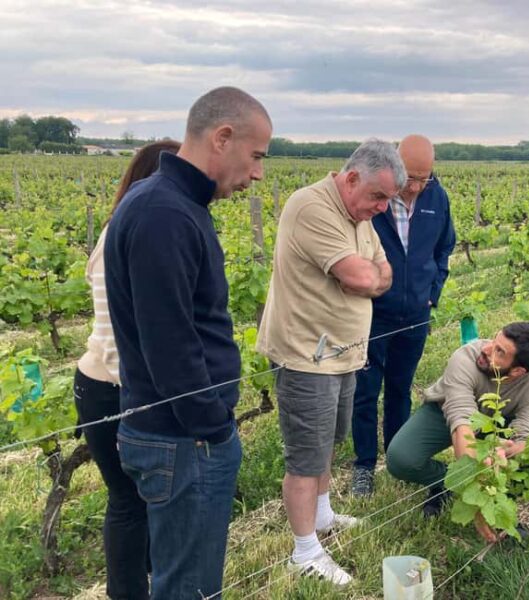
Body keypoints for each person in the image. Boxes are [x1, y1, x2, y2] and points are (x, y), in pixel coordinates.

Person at [105, 87, 272, 599]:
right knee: (190, 590)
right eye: (257, 155)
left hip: (179, 435)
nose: (258, 172)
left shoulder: (171, 204)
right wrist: (215, 428)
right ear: (222, 138)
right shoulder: (165, 213)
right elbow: (170, 346)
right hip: (185, 439)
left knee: (186, 583)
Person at [256, 139, 405, 586]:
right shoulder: (311, 207)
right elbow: (363, 275)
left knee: (328, 443)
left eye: (389, 200)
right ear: (352, 177)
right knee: (305, 457)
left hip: (342, 353)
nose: (381, 208)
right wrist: (367, 276)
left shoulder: (360, 216)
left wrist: (370, 275)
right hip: (308, 355)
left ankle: (321, 516)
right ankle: (304, 552)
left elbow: (384, 274)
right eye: (378, 196)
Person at [74, 139, 179, 600]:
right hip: (116, 387)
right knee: (129, 504)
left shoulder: (122, 229)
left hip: (101, 382)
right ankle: (128, 592)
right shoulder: (133, 234)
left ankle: (149, 582)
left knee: (135, 502)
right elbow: (123, 339)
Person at [350, 134, 456, 497]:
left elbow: (445, 248)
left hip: (415, 316)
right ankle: (363, 466)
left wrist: (432, 293)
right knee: (364, 392)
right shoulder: (377, 198)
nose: (413, 186)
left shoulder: (437, 198)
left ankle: (397, 458)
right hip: (372, 315)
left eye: (423, 178)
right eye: (409, 176)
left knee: (400, 389)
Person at [386, 321, 529, 542]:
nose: (487, 349)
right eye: (494, 340)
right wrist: (474, 498)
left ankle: (500, 500)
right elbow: (461, 421)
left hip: (499, 424)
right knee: (401, 458)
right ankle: (447, 484)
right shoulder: (466, 357)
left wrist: (510, 449)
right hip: (446, 411)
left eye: (499, 351)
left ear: (518, 371)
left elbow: (525, 433)